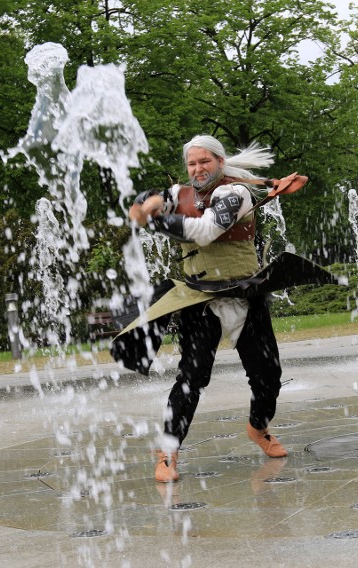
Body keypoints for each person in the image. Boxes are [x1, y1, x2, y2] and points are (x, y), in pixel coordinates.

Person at [129, 135, 288, 483]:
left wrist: (153, 217)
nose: (198, 169)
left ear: (219, 161)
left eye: (205, 161)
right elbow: (148, 202)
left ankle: (258, 427)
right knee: (191, 378)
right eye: (192, 163)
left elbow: (204, 231)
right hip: (199, 300)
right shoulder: (179, 194)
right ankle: (167, 450)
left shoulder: (236, 193)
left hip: (246, 296)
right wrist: (147, 201)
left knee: (268, 378)